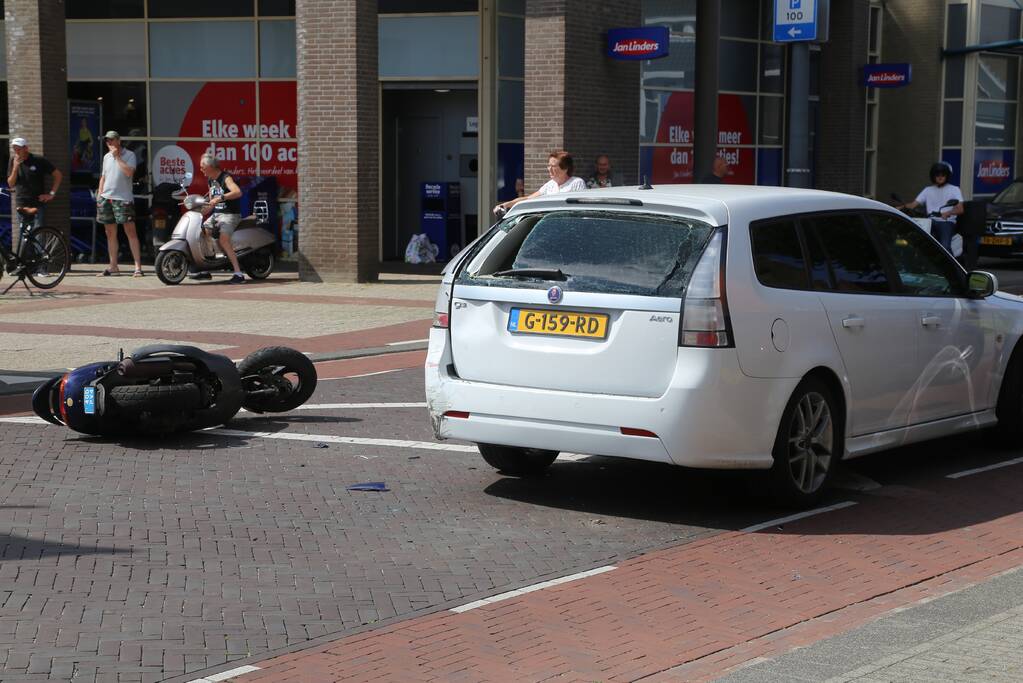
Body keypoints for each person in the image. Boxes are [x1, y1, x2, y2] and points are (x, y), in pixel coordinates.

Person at [192, 153, 245, 284]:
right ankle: (207, 268)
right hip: (216, 215)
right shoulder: (210, 180)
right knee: (201, 232)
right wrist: (200, 210)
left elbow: (238, 192)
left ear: (210, 166)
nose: (201, 169)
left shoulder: (225, 178)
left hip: (230, 215)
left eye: (202, 167)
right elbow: (211, 203)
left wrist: (221, 197)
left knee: (223, 239)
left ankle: (238, 274)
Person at [96, 130, 143, 277]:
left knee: (131, 232)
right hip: (106, 197)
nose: (109, 143)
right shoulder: (106, 157)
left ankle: (137, 267)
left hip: (123, 198)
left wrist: (117, 157)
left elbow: (129, 172)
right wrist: (99, 195)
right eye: (107, 141)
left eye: (111, 140)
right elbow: (103, 177)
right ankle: (113, 266)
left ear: (118, 141)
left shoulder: (129, 155)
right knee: (110, 233)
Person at [493, 150, 586, 216]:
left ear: (565, 168)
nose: (549, 169)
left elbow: (581, 209)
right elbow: (528, 198)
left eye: (553, 166)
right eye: (548, 165)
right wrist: (505, 205)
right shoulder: (550, 185)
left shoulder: (577, 183)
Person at [897, 161, 964, 253]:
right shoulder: (927, 190)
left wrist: (948, 213)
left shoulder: (954, 189)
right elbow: (913, 205)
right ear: (933, 176)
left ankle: (950, 265)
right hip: (929, 221)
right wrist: (899, 208)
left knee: (945, 246)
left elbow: (960, 209)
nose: (940, 177)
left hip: (946, 222)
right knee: (917, 241)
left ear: (947, 176)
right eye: (937, 175)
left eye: (943, 174)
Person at [6, 137, 62, 229]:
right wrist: (15, 167)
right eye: (14, 149)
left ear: (26, 148)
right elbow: (11, 184)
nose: (16, 152)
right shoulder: (13, 160)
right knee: (24, 236)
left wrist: (51, 194)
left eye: (19, 149)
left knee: (38, 234)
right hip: (22, 204)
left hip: (37, 203)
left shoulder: (38, 160)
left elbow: (58, 175)